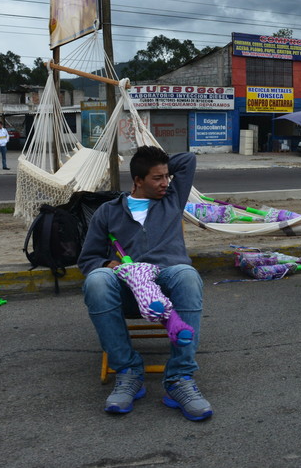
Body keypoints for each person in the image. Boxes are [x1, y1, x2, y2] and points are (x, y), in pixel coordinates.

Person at [77, 146, 212, 421]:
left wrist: (157, 163)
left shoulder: (172, 199)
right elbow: (87, 258)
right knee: (97, 281)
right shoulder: (108, 211)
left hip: (167, 281)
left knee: (188, 275)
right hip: (129, 287)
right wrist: (106, 265)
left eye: (167, 176)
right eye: (157, 178)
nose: (165, 183)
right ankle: (128, 372)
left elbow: (187, 160)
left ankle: (179, 379)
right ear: (138, 180)